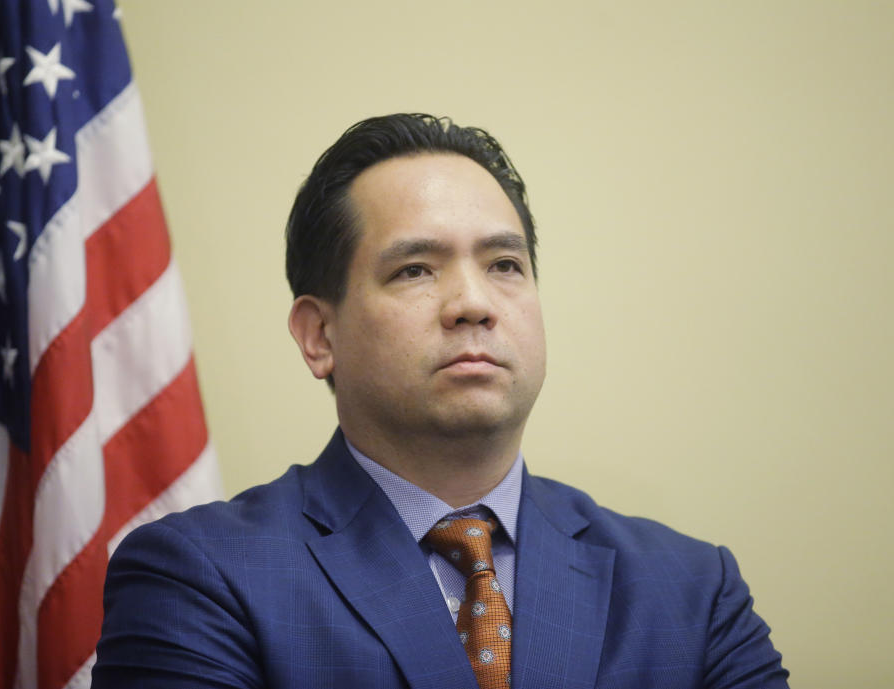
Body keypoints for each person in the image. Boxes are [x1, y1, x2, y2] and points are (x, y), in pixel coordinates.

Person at [91, 114, 789, 688]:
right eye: (415, 269)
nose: (473, 303)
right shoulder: (200, 575)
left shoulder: (691, 588)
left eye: (504, 265)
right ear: (318, 334)